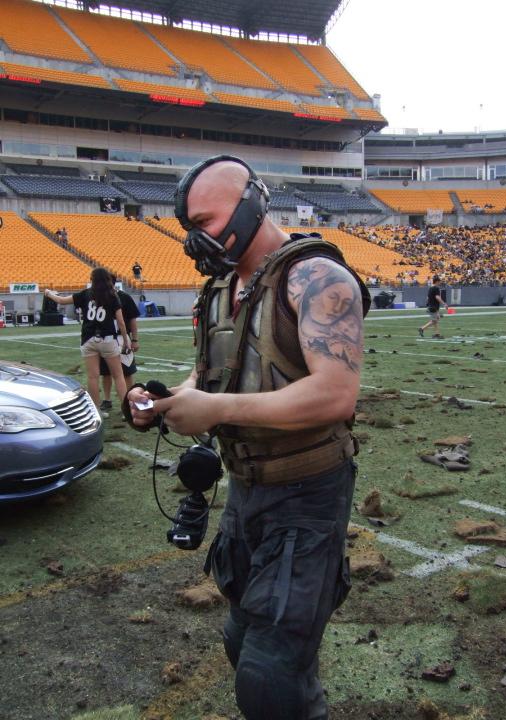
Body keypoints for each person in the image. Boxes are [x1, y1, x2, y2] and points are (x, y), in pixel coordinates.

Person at [124, 155, 371, 720]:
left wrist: (213, 407)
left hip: (308, 492)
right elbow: (208, 378)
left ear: (252, 202)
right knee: (242, 638)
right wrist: (165, 402)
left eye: (205, 223)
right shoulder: (219, 290)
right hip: (244, 490)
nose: (196, 241)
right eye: (189, 227)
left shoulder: (317, 278)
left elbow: (336, 395)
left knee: (271, 670)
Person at [45, 267, 131, 414]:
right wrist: (126, 341)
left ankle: (96, 410)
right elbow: (121, 322)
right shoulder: (112, 296)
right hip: (107, 338)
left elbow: (61, 300)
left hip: (88, 339)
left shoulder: (85, 294)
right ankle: (126, 411)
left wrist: (49, 293)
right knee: (118, 375)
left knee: (92, 377)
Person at [99, 274, 140, 412]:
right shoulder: (98, 297)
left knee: (127, 372)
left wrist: (134, 339)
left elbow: (132, 320)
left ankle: (129, 400)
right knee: (105, 372)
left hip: (122, 338)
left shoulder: (124, 298)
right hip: (105, 338)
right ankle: (107, 399)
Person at [418, 274, 448, 338]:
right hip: (434, 306)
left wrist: (428, 304)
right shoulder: (436, 288)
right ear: (437, 281)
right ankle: (422, 329)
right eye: (439, 281)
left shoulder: (431, 288)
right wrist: (444, 304)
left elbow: (427, 298)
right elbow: (437, 297)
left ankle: (436, 334)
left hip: (431, 306)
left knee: (436, 320)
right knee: (435, 320)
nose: (440, 282)